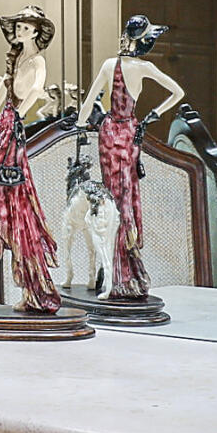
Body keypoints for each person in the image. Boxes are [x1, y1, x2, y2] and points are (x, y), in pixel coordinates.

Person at [79, 16, 186, 304]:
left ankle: (117, 272)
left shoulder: (111, 65)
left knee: (115, 198)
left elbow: (90, 100)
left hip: (110, 132)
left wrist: (79, 127)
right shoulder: (141, 68)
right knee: (122, 197)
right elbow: (178, 92)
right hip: (126, 133)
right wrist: (154, 114)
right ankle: (120, 272)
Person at [0, 6, 61, 311]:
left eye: (25, 26)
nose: (20, 30)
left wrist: (17, 114)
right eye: (18, 26)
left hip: (11, 140)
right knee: (9, 213)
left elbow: (37, 90)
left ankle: (35, 289)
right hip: (2, 136)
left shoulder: (37, 62)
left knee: (16, 212)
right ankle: (30, 289)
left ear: (35, 31)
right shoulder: (16, 61)